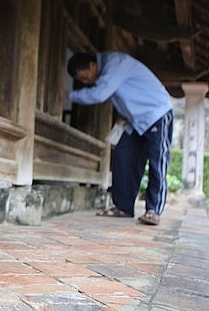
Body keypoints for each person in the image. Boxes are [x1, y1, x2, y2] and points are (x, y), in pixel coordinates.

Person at [65, 51, 173, 225]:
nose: (86, 82)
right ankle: (123, 207)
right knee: (123, 155)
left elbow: (99, 94)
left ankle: (153, 210)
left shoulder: (116, 63)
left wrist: (69, 95)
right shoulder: (107, 71)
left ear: (92, 65)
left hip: (157, 114)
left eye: (85, 78)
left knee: (157, 161)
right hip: (134, 121)